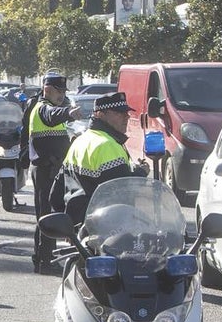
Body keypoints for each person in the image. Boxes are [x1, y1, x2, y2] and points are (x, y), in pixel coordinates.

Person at [53, 92, 148, 225]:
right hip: (107, 228)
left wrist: (68, 225)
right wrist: (141, 172)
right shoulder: (107, 145)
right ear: (100, 115)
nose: (126, 117)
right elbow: (124, 191)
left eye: (126, 113)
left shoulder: (80, 140)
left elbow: (56, 193)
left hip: (79, 226)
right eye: (119, 113)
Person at [21, 72, 83, 272]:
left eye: (64, 91)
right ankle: (44, 261)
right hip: (45, 170)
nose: (62, 95)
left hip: (52, 170)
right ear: (47, 90)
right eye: (59, 91)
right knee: (46, 215)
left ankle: (46, 258)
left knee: (52, 214)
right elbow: (51, 116)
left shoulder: (53, 107)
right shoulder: (42, 108)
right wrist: (68, 113)